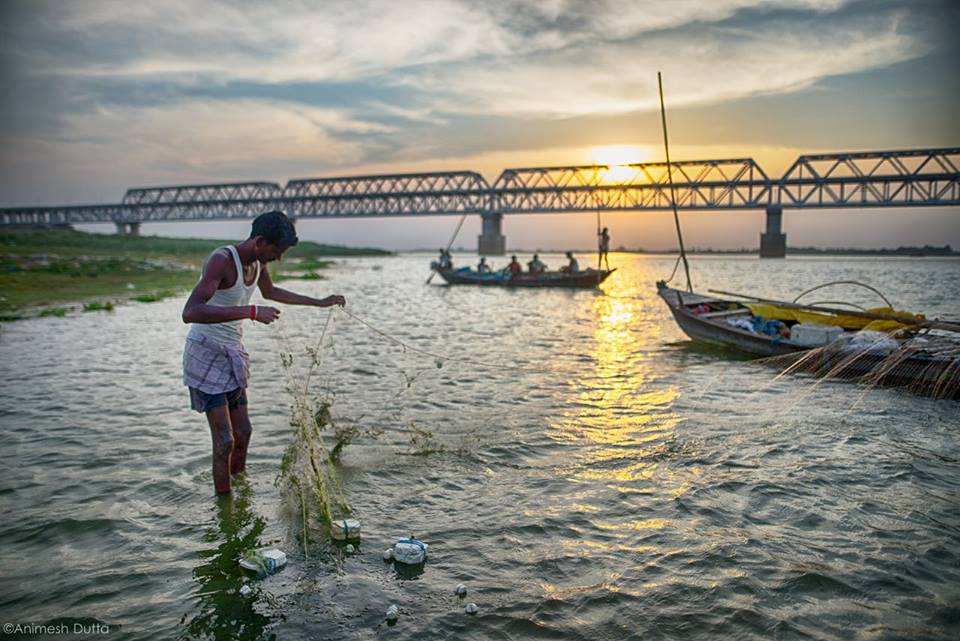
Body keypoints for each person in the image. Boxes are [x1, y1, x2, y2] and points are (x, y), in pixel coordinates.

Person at [181, 210, 346, 494]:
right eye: (276, 251)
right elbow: (191, 312)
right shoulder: (222, 260)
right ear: (259, 241)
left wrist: (319, 303)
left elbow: (271, 293)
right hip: (205, 354)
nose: (278, 258)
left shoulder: (257, 263)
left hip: (232, 353)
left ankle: (240, 491)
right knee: (224, 441)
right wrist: (251, 311)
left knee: (243, 432)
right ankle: (225, 508)